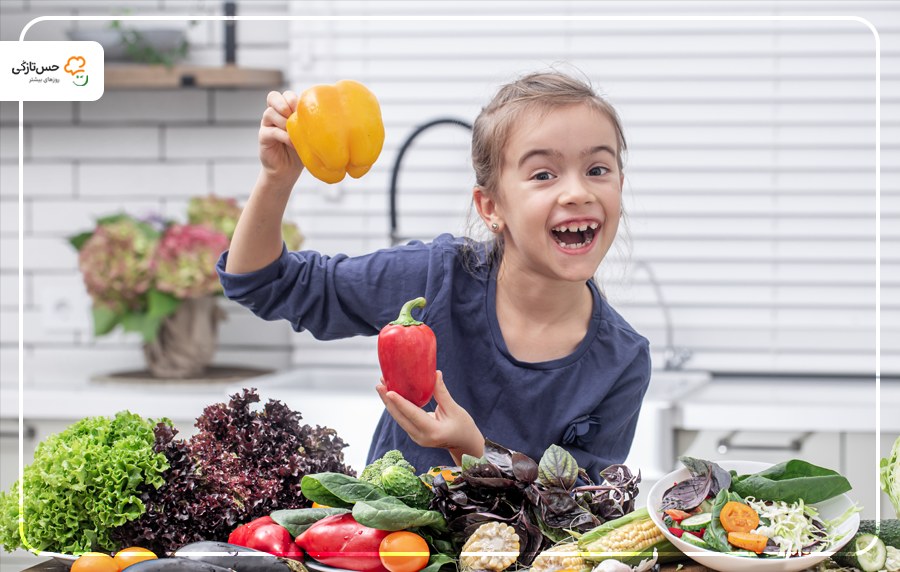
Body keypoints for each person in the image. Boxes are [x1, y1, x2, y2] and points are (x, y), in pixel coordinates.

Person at [217, 70, 651, 484]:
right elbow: (261, 282)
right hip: (389, 556)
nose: (578, 192)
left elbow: (582, 517)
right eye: (543, 174)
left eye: (598, 169)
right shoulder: (436, 278)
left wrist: (473, 451)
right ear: (490, 207)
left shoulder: (622, 361)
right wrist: (277, 179)